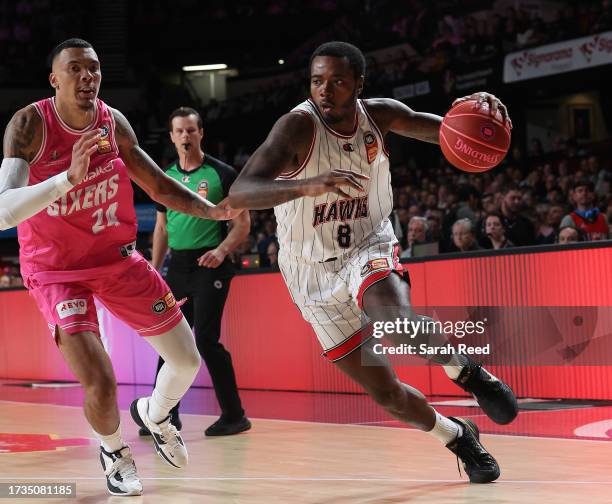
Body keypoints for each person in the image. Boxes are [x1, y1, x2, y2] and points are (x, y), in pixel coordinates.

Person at [228, 41, 517, 484]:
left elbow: (453, 135)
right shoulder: (295, 128)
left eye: (338, 82)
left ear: (359, 85)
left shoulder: (379, 116)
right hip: (310, 273)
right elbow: (242, 192)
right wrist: (308, 185)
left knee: (395, 320)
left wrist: (484, 123)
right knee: (388, 395)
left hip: (368, 243)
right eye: (317, 81)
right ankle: (457, 435)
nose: (326, 90)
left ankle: (468, 372)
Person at [0, 39, 240, 496]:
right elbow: (2, 212)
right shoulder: (29, 124)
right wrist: (65, 179)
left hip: (115, 258)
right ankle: (114, 451)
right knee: (101, 380)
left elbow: (158, 184)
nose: (87, 77)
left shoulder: (113, 122)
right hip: (56, 271)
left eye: (94, 69)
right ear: (55, 79)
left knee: (187, 360)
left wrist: (213, 212)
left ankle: (154, 412)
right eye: (75, 69)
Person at [138, 107, 251, 438]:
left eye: (191, 130)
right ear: (171, 137)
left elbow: (242, 223)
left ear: (201, 133)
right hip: (178, 267)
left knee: (204, 339)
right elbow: (161, 228)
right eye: (179, 131)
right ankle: (162, 415)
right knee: (169, 341)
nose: (185, 136)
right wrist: (155, 270)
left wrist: (221, 250)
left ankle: (234, 415)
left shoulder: (222, 173)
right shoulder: (165, 178)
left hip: (210, 264)